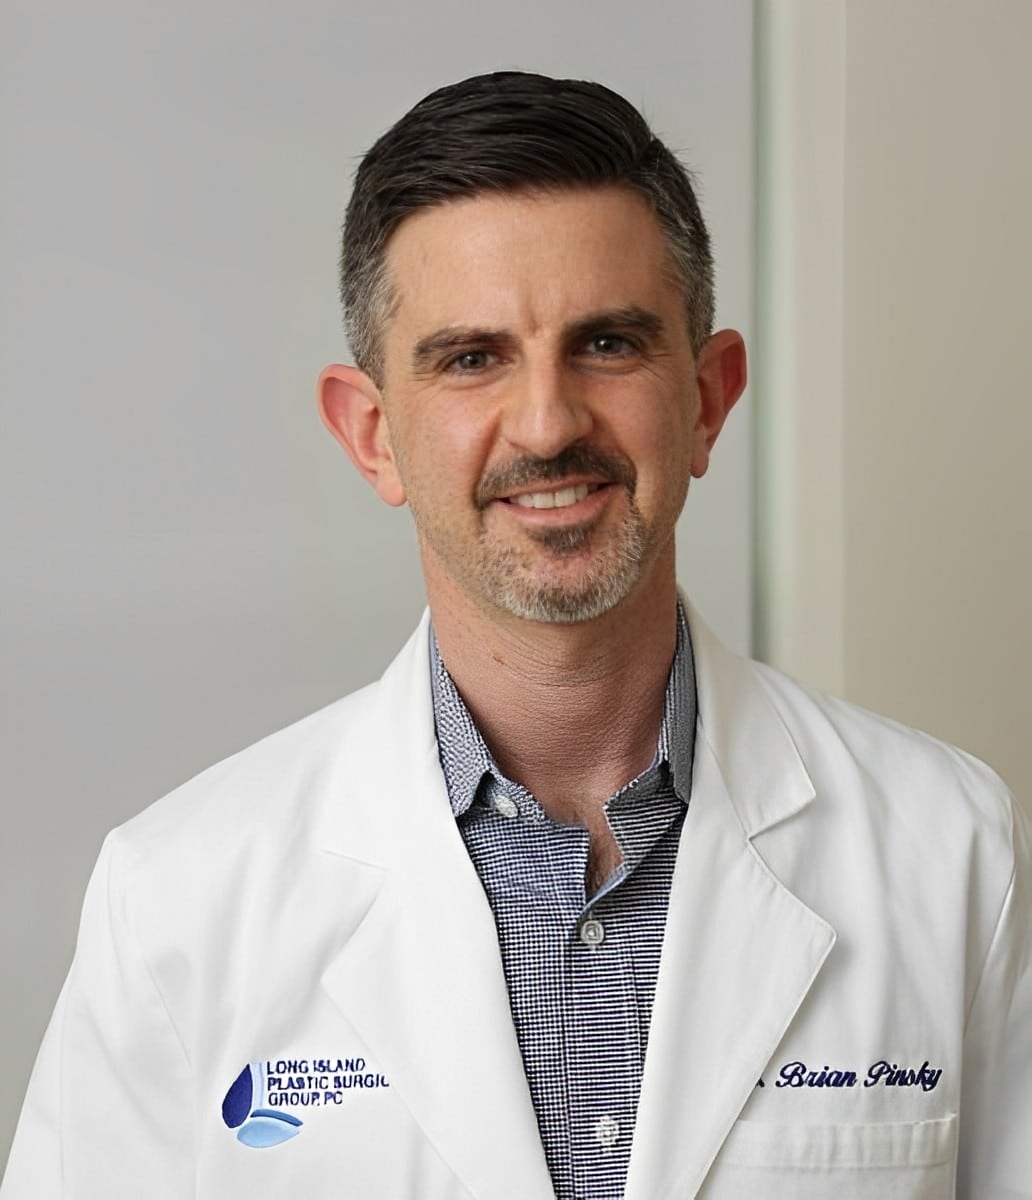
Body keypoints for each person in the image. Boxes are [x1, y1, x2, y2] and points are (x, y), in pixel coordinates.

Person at [2, 70, 1029, 1200]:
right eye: (472, 358)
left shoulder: (951, 852)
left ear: (708, 398)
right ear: (374, 434)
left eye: (607, 344)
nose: (547, 422)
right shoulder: (180, 900)